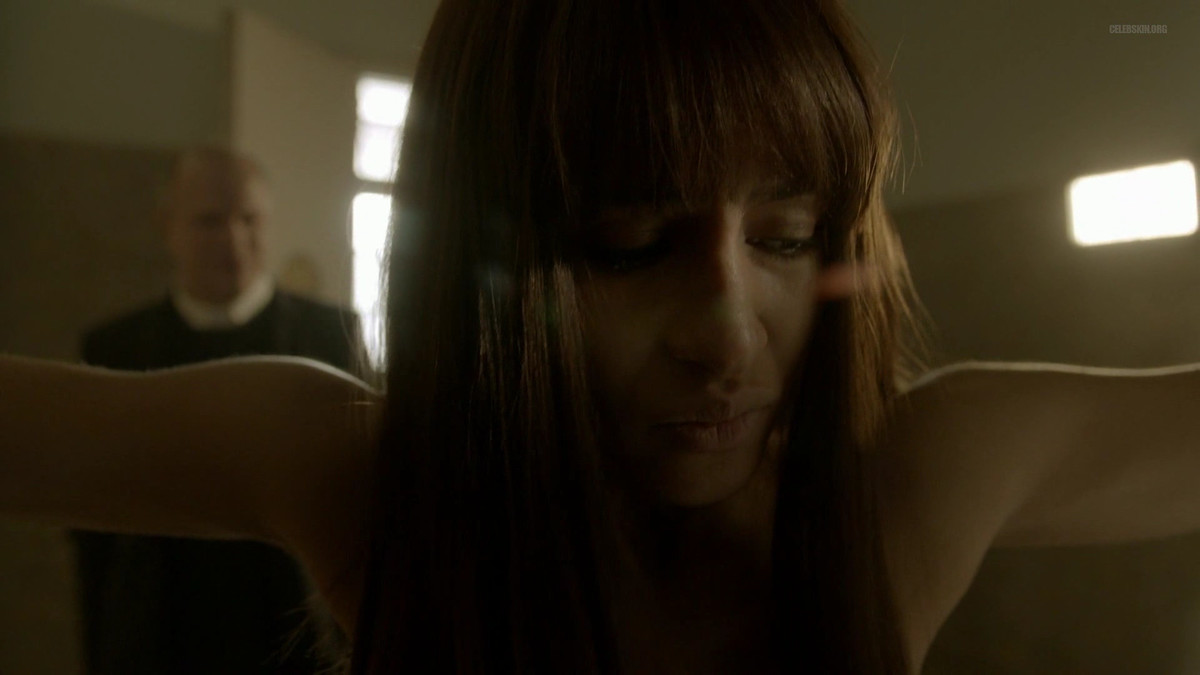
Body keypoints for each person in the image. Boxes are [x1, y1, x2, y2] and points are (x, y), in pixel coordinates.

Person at [2, 1, 1199, 674]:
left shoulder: (912, 484)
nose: (726, 338)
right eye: (629, 243)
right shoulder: (373, 480)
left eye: (785, 237)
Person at [71, 146, 366, 674]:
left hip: (299, 643)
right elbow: (93, 538)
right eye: (209, 220)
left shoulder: (332, 337)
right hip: (158, 640)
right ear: (168, 227)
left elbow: (360, 511)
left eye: (248, 219)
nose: (233, 239)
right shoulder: (115, 348)